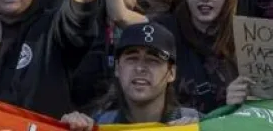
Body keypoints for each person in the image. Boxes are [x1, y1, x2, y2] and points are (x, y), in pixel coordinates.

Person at [60, 23, 200, 128]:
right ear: (117, 68)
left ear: (171, 73)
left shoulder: (196, 123)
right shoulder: (98, 125)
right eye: (132, 59)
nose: (140, 68)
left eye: (153, 60)